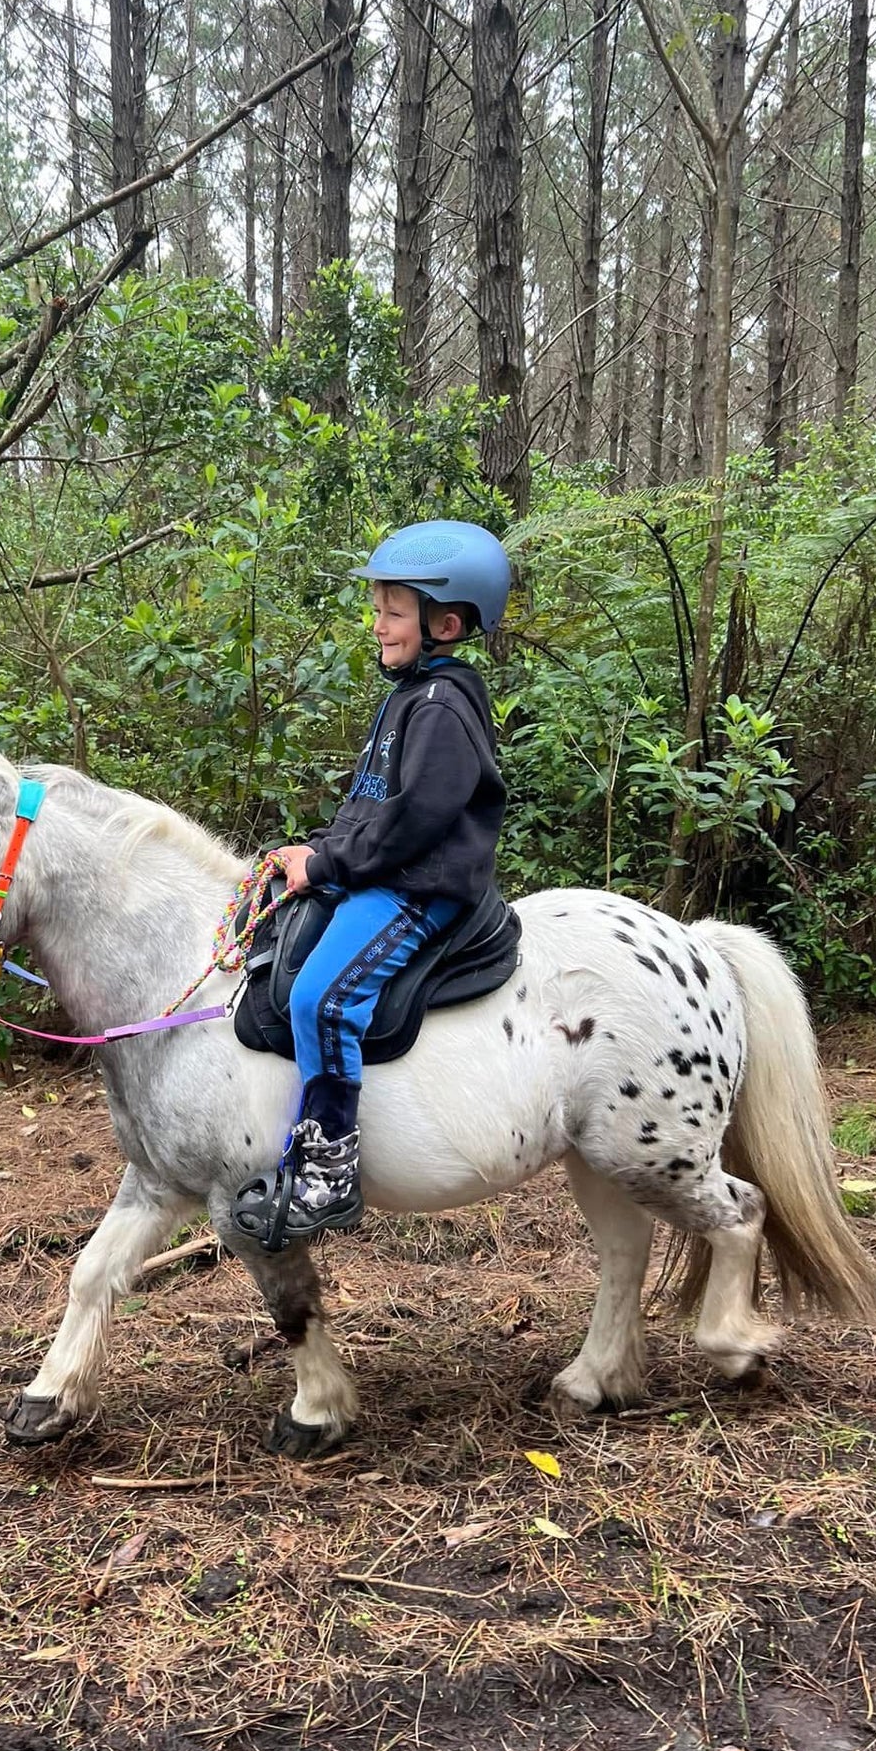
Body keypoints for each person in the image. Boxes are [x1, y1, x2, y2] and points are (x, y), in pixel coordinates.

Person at [231, 520, 510, 1248]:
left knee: (320, 997)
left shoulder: (442, 705)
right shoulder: (408, 697)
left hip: (420, 889)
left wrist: (329, 867)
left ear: (445, 624)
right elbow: (370, 806)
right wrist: (315, 850)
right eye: (378, 609)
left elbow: (415, 820)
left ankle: (329, 1168)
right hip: (388, 872)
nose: (378, 624)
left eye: (393, 611)